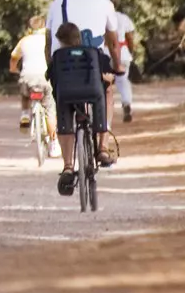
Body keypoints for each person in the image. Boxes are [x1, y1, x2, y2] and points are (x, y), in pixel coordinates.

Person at [48, 21, 117, 195]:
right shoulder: (94, 53)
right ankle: (102, 149)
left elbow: (50, 76)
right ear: (79, 38)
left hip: (67, 96)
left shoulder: (58, 56)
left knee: (64, 112)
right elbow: (108, 75)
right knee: (102, 96)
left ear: (61, 41)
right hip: (91, 93)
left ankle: (68, 167)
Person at [9, 13, 50, 130]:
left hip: (28, 76)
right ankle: (52, 136)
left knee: (25, 95)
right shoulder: (48, 40)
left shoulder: (24, 41)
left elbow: (13, 57)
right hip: (45, 77)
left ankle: (25, 115)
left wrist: (13, 69)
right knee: (49, 101)